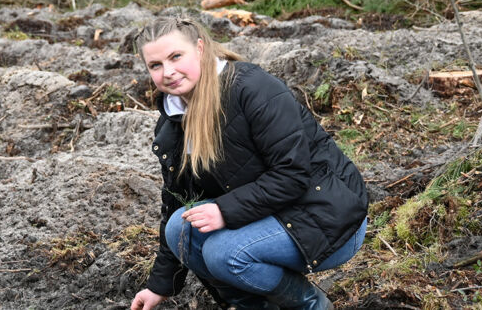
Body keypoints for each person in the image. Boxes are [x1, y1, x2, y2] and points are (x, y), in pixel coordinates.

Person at [130, 17, 368, 310]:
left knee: (223, 253)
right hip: (265, 212)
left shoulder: (253, 89)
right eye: (155, 65)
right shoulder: (173, 121)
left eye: (176, 56)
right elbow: (176, 201)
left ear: (200, 49)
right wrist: (159, 285)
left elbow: (293, 174)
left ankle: (311, 306)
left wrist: (224, 211)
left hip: (326, 216)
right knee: (181, 229)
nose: (168, 72)